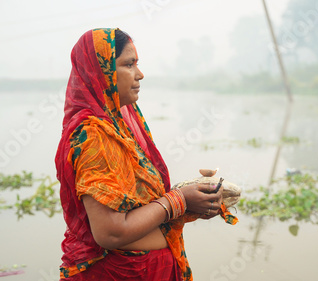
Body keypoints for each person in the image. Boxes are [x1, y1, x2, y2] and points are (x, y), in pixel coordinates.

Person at [55, 28, 237, 281]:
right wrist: (179, 200)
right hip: (116, 273)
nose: (140, 75)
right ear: (101, 72)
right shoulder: (94, 136)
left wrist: (191, 201)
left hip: (149, 269)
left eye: (137, 64)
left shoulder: (121, 125)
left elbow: (138, 208)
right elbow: (111, 233)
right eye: (128, 64)